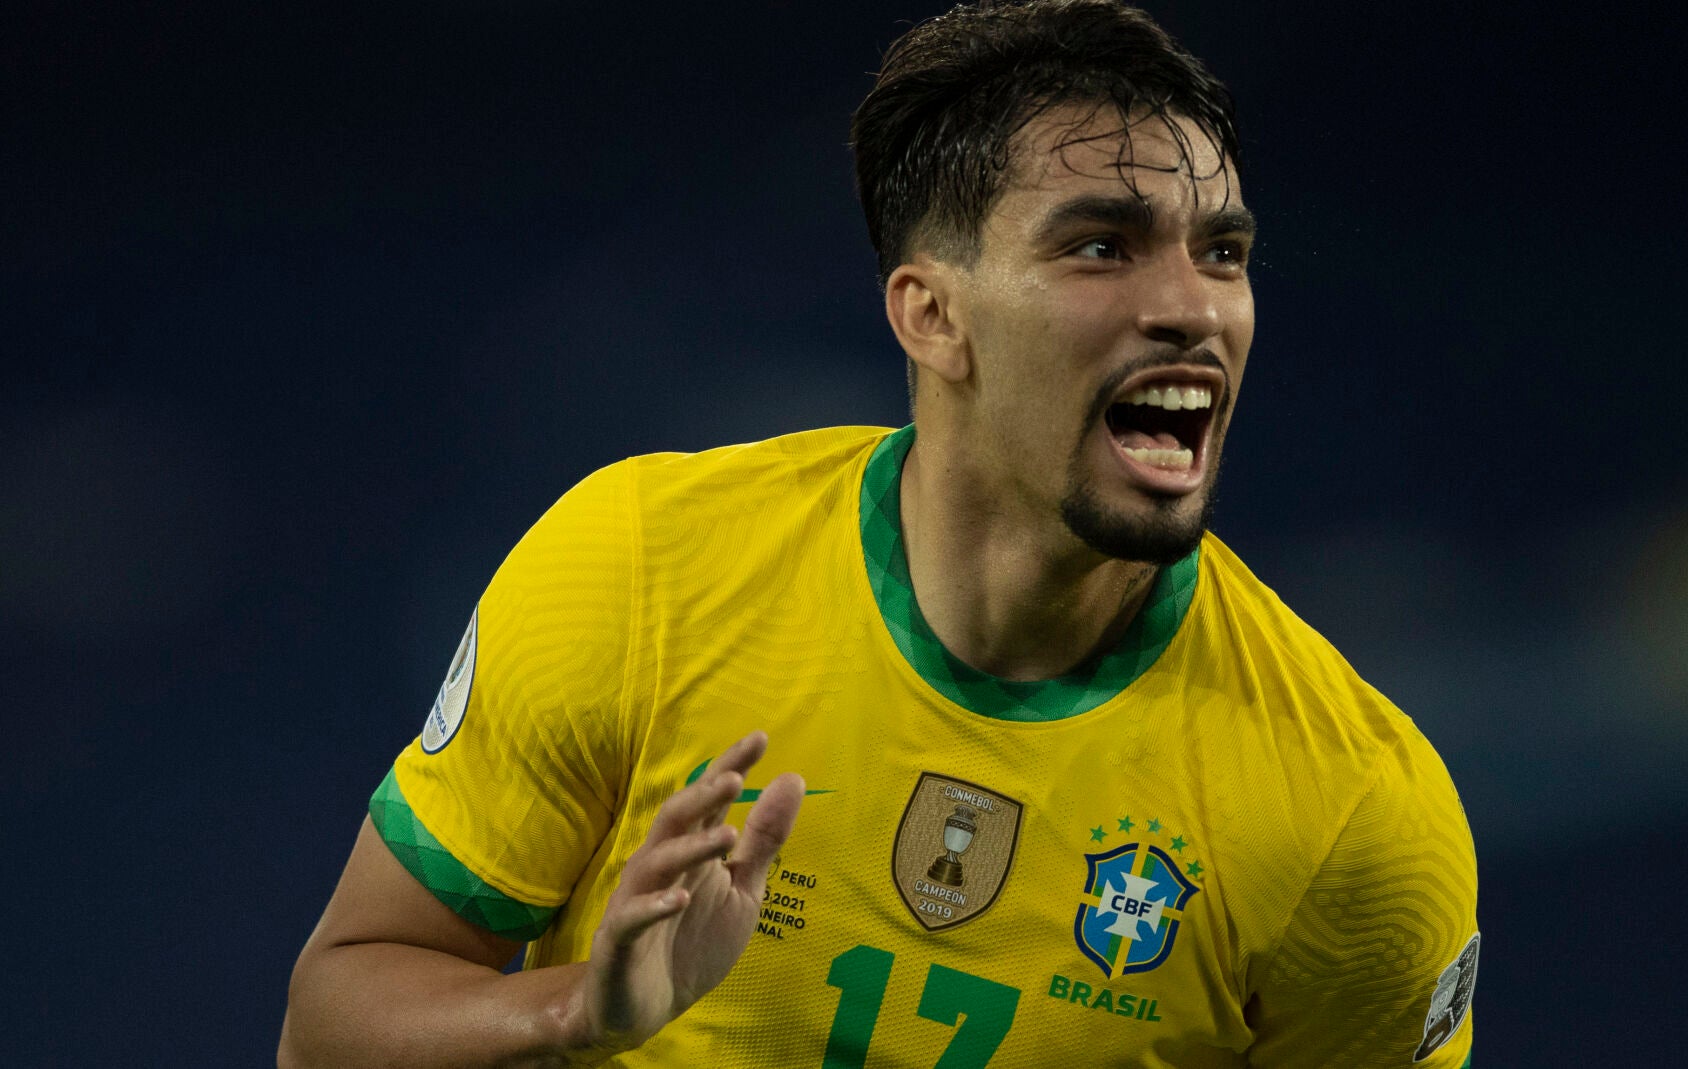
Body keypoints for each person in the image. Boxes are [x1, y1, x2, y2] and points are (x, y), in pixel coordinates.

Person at [279, 1, 1479, 1066]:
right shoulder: (643, 567)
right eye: (1099, 246)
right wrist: (576, 1011)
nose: (1190, 307)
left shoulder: (1354, 816)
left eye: (1221, 252)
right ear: (931, 315)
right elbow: (329, 1024)